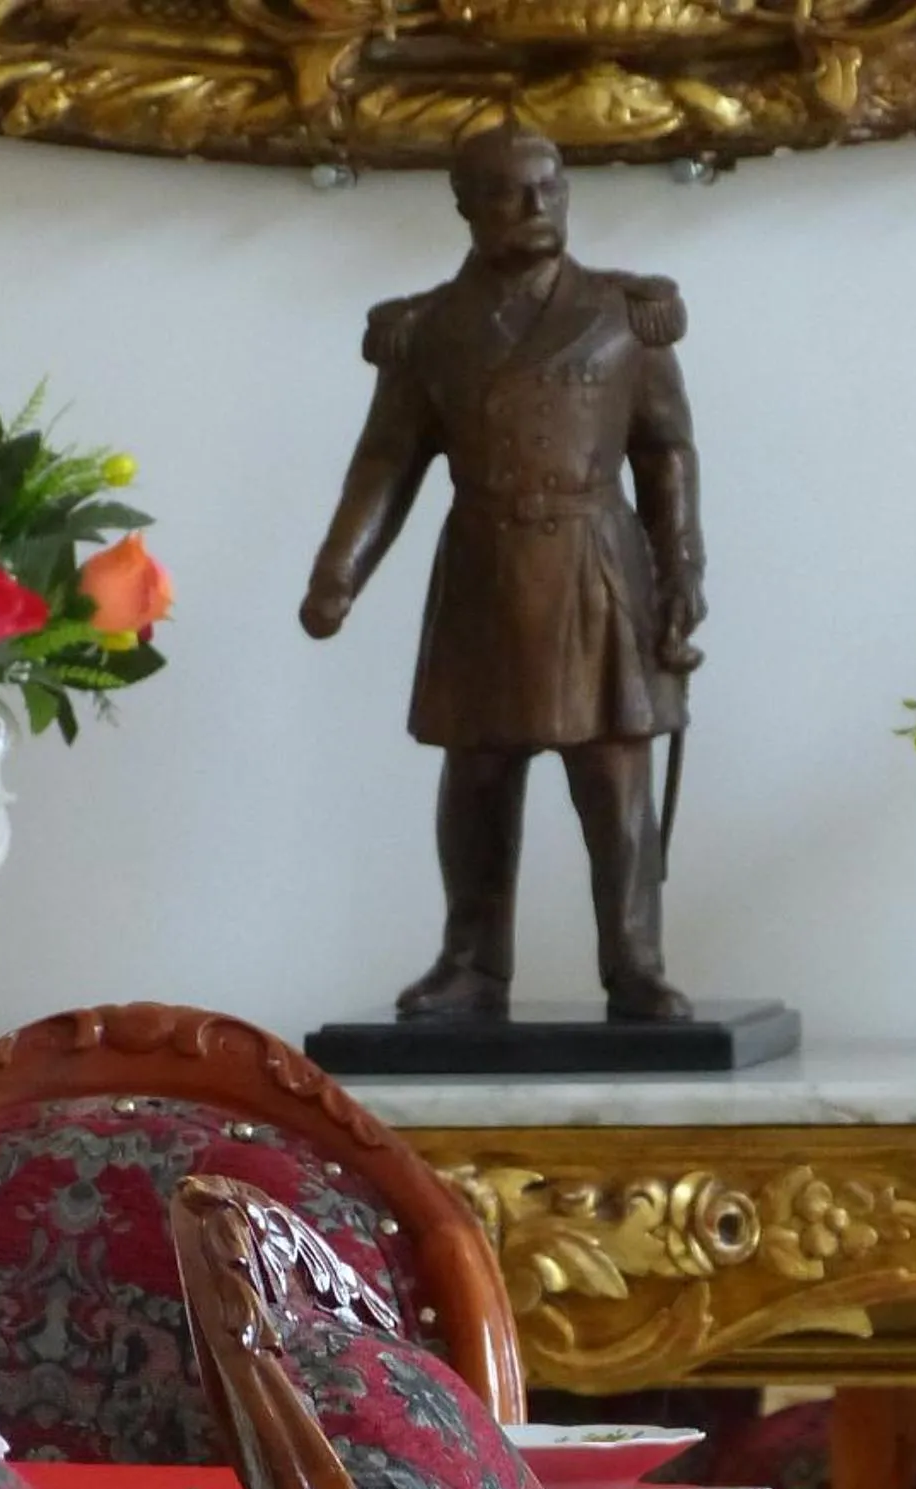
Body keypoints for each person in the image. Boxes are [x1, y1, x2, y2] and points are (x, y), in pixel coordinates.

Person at [300, 120, 706, 1024]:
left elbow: (667, 453)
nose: (536, 205)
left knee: (613, 776)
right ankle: (473, 963)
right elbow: (386, 463)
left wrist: (682, 574)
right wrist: (340, 573)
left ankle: (635, 963)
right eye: (512, 191)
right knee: (478, 776)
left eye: (550, 185)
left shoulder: (623, 315)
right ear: (465, 207)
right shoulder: (429, 330)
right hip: (485, 568)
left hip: (597, 565)